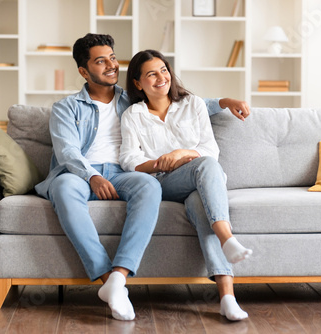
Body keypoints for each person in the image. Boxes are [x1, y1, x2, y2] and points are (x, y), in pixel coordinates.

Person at [34, 33, 251, 321]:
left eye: (113, 58)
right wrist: (92, 177)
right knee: (62, 189)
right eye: (101, 61)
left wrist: (223, 101)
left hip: (125, 173)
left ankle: (120, 276)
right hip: (80, 171)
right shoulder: (67, 107)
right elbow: (68, 152)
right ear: (83, 71)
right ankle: (109, 282)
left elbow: (179, 99)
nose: (111, 65)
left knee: (149, 186)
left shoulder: (131, 99)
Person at [119, 49, 253, 321]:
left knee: (202, 200)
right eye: (151, 74)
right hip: (163, 182)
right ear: (137, 82)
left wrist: (181, 153)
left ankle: (227, 297)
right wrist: (159, 163)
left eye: (164, 70)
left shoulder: (192, 104)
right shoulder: (133, 115)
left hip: (200, 182)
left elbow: (208, 149)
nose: (161, 77)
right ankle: (227, 238)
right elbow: (128, 159)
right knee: (207, 165)